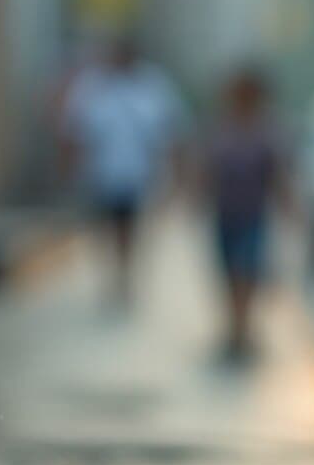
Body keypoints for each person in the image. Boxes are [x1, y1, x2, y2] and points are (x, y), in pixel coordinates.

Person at [58, 38, 184, 306]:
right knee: (104, 228)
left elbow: (171, 132)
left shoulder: (152, 85)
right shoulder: (92, 86)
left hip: (138, 176)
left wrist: (175, 177)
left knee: (131, 228)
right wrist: (70, 169)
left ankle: (126, 279)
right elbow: (74, 131)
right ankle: (111, 277)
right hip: (101, 175)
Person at [202, 66, 289, 363]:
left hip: (254, 215)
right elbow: (206, 167)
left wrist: (290, 207)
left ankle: (242, 331)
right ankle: (234, 329)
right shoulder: (222, 128)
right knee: (228, 274)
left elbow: (279, 173)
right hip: (225, 212)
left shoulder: (267, 130)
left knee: (247, 272)